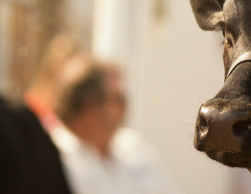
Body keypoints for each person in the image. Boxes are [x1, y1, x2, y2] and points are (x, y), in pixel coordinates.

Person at [50, 54, 183, 194]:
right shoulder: (53, 160)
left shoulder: (134, 147)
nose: (126, 108)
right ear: (91, 106)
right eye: (119, 100)